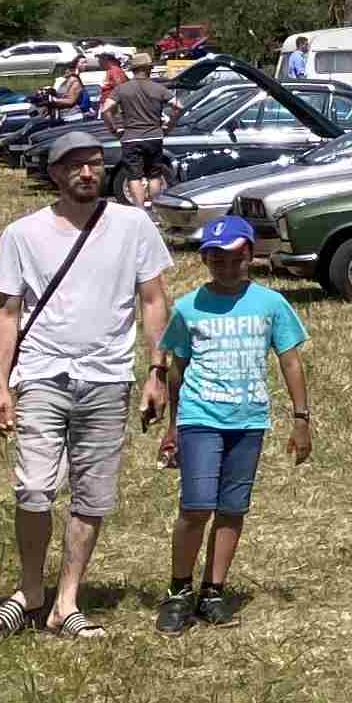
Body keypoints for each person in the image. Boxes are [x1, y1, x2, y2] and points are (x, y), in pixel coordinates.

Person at [0, 133, 175, 640]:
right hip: (42, 374)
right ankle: (30, 591)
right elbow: (6, 312)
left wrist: (157, 372)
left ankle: (66, 601)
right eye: (74, 166)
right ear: (54, 174)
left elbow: (153, 300)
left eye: (94, 164)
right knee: (34, 488)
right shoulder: (22, 234)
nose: (87, 173)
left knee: (93, 493)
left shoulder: (133, 225)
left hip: (108, 378)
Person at [142, 216, 312, 634]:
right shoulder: (188, 307)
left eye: (235, 258)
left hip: (248, 420)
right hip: (200, 417)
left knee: (233, 508)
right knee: (196, 505)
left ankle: (213, 591)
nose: (226, 266)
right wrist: (173, 427)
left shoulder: (271, 304)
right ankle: (179, 591)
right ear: (204, 260)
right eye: (216, 259)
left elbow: (290, 362)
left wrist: (301, 418)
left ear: (250, 255)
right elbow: (177, 369)